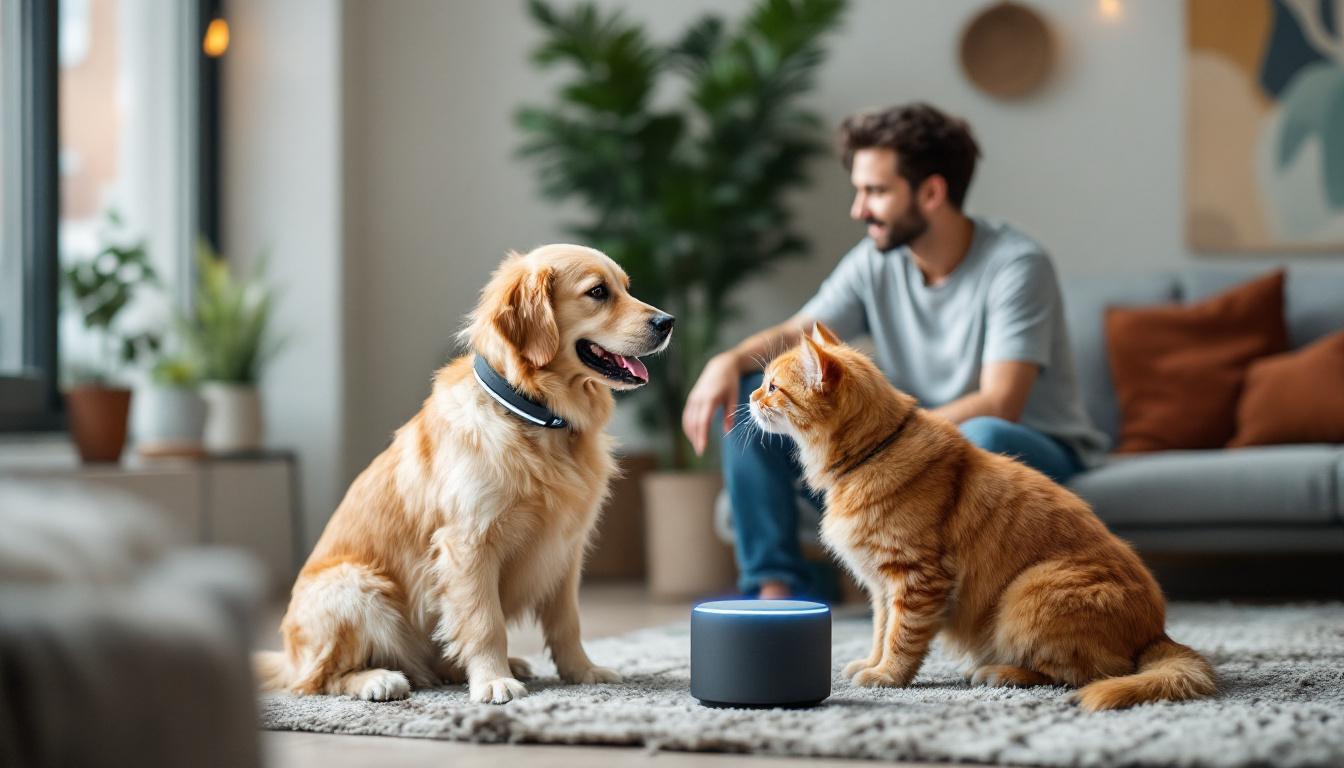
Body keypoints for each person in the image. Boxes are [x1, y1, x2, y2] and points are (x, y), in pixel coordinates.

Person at [681, 103, 1108, 600]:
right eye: (860, 191)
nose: (858, 210)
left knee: (982, 433)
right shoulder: (873, 262)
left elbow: (1001, 402)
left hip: (1025, 450)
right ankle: (776, 593)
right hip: (910, 454)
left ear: (930, 192)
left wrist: (887, 448)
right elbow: (801, 331)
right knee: (755, 401)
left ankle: (940, 597)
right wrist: (726, 362)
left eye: (875, 192)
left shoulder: (1016, 265)